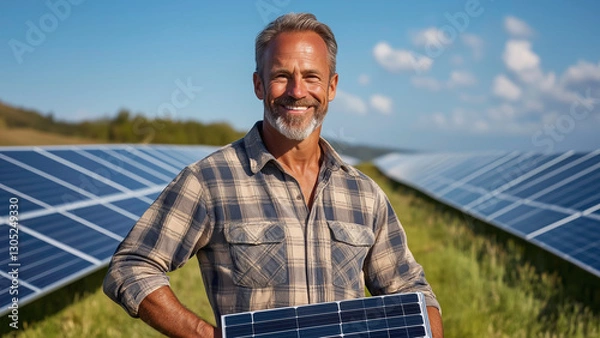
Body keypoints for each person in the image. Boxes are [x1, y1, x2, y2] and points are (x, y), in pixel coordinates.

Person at [103, 12, 443, 338]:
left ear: (332, 87)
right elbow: (131, 266)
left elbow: (412, 292)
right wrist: (207, 336)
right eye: (282, 76)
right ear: (259, 85)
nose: (297, 91)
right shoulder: (210, 181)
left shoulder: (364, 195)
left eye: (311, 76)